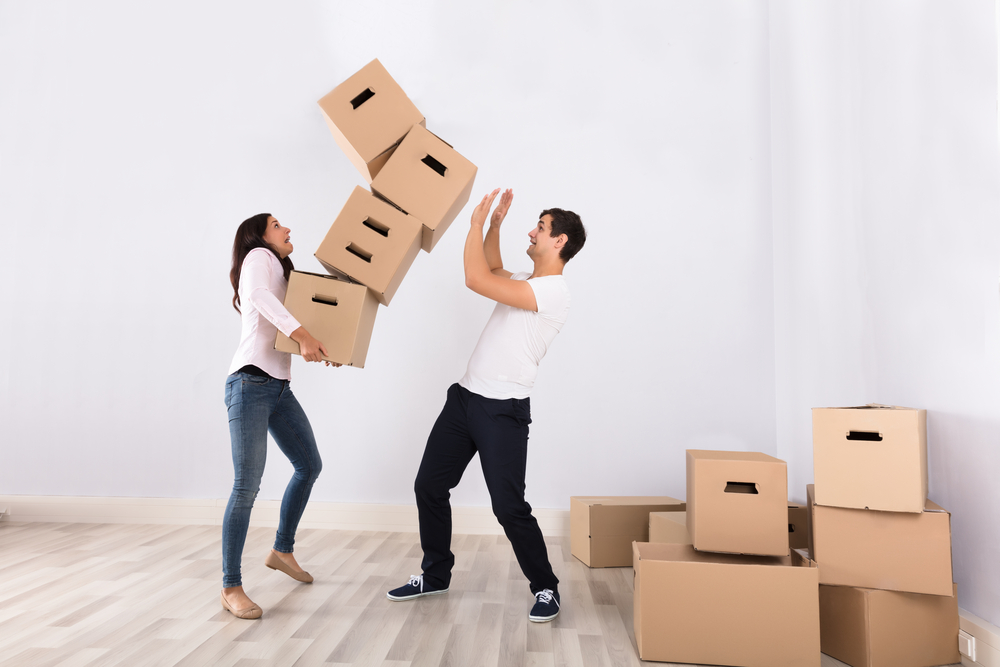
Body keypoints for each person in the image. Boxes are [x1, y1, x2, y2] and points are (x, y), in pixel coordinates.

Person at [386, 188, 587, 623]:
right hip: (464, 400)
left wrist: (475, 224)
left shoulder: (555, 292)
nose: (531, 232)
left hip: (503, 412)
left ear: (560, 242)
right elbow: (493, 268)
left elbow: (477, 278)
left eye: (541, 227)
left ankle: (546, 588)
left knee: (508, 507)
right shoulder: (527, 281)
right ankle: (436, 574)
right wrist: (494, 226)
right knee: (429, 487)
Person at [221, 213, 337, 619]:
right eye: (277, 224)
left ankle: (281, 550)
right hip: (249, 384)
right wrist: (304, 335)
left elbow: (295, 325)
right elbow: (257, 297)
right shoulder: (258, 256)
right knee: (246, 487)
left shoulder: (283, 273)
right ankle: (231, 586)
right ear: (260, 235)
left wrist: (325, 347)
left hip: (277, 387)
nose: (287, 228)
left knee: (309, 465)